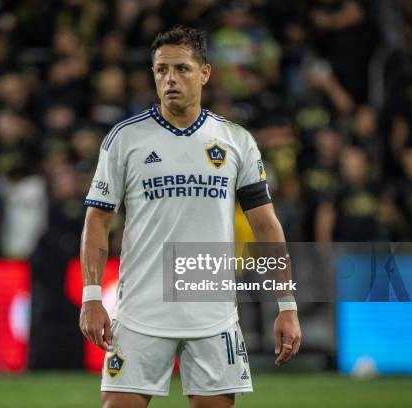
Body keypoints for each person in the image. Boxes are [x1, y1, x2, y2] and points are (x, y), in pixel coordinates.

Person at [79, 25, 302, 408]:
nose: (170, 79)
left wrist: (287, 306)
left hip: (212, 314)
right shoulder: (124, 139)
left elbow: (266, 224)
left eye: (182, 69)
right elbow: (97, 220)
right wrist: (92, 296)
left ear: (205, 73)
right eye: (161, 70)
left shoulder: (236, 141)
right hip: (140, 312)